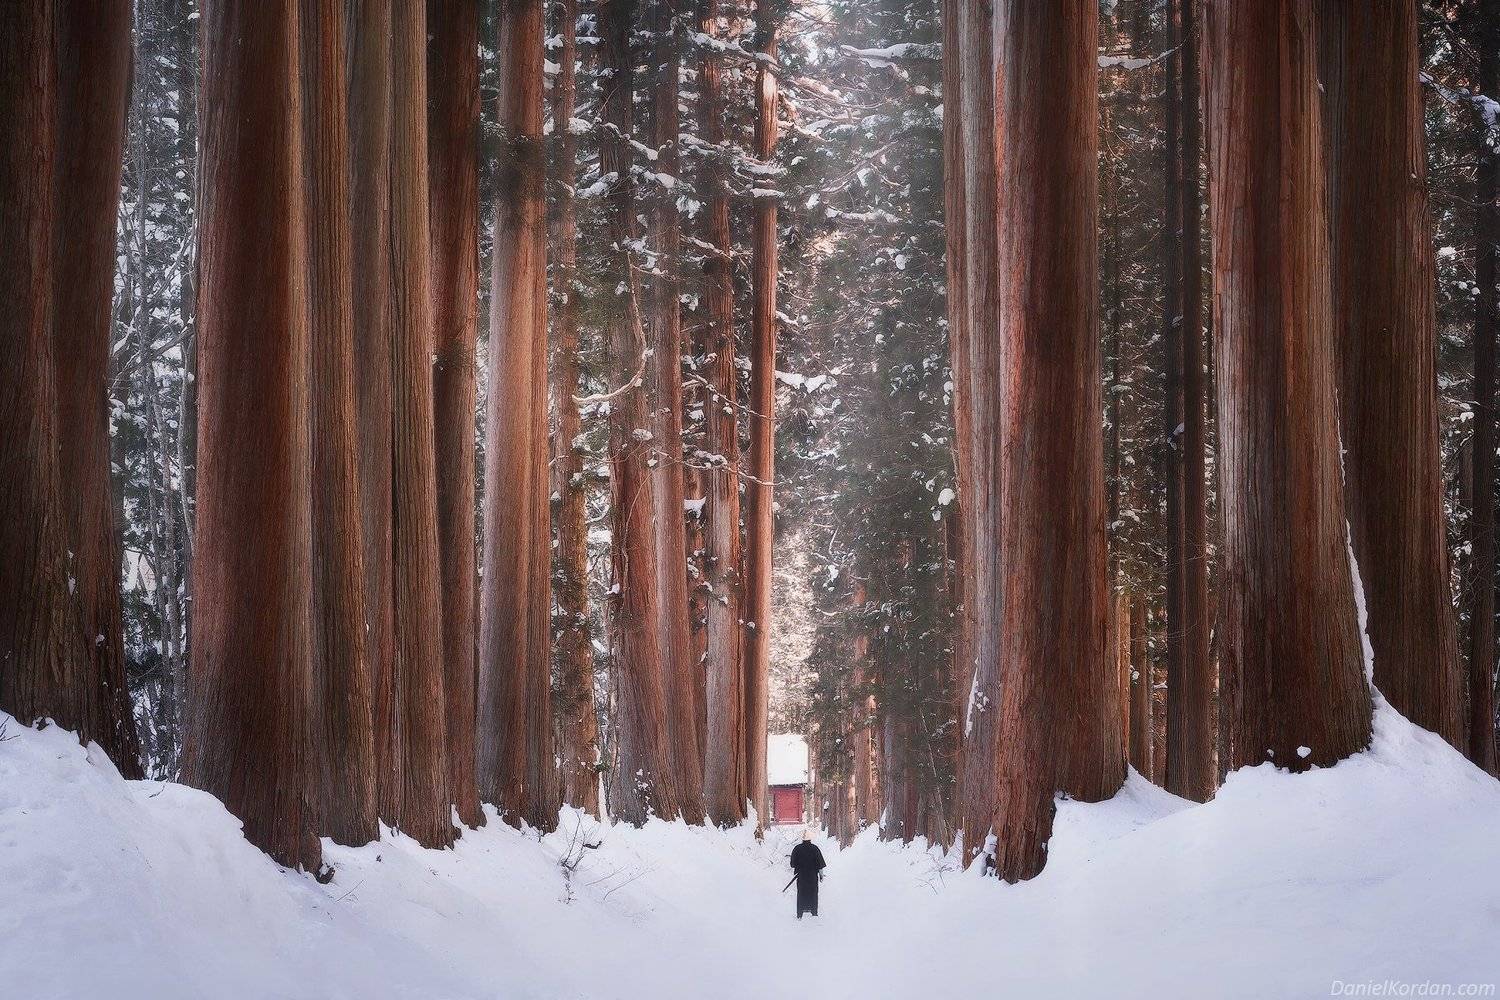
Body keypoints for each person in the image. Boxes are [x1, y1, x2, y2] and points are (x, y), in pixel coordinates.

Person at [789, 828, 826, 919]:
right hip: (813, 876)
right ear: (810, 838)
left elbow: (792, 864)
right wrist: (821, 876)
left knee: (801, 893)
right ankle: (814, 912)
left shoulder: (797, 848)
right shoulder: (815, 848)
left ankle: (799, 914)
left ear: (802, 839)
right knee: (813, 893)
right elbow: (820, 864)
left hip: (801, 876)